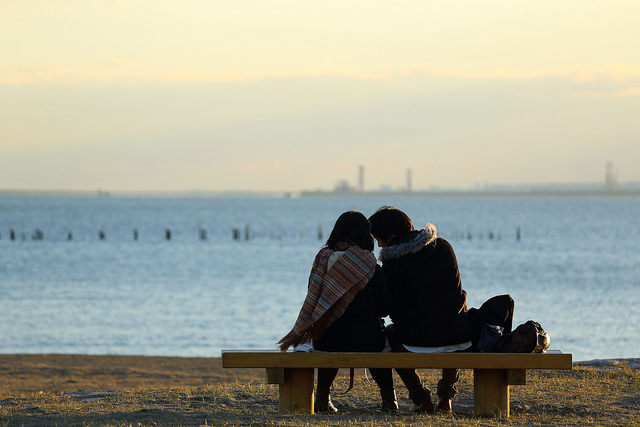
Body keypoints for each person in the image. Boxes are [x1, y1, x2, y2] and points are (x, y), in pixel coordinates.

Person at [277, 211, 397, 413]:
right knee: (378, 343)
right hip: (368, 341)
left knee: (328, 332)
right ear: (364, 235)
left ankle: (322, 399)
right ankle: (389, 399)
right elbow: (385, 309)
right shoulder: (371, 267)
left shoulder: (322, 261)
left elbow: (315, 301)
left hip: (326, 341)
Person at [368, 206, 472, 413]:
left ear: (391, 236)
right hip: (460, 336)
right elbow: (458, 293)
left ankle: (421, 398)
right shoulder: (443, 247)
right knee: (451, 320)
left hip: (415, 341)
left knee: (389, 333)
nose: (378, 245)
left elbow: (390, 308)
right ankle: (446, 399)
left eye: (378, 239)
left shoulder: (392, 262)